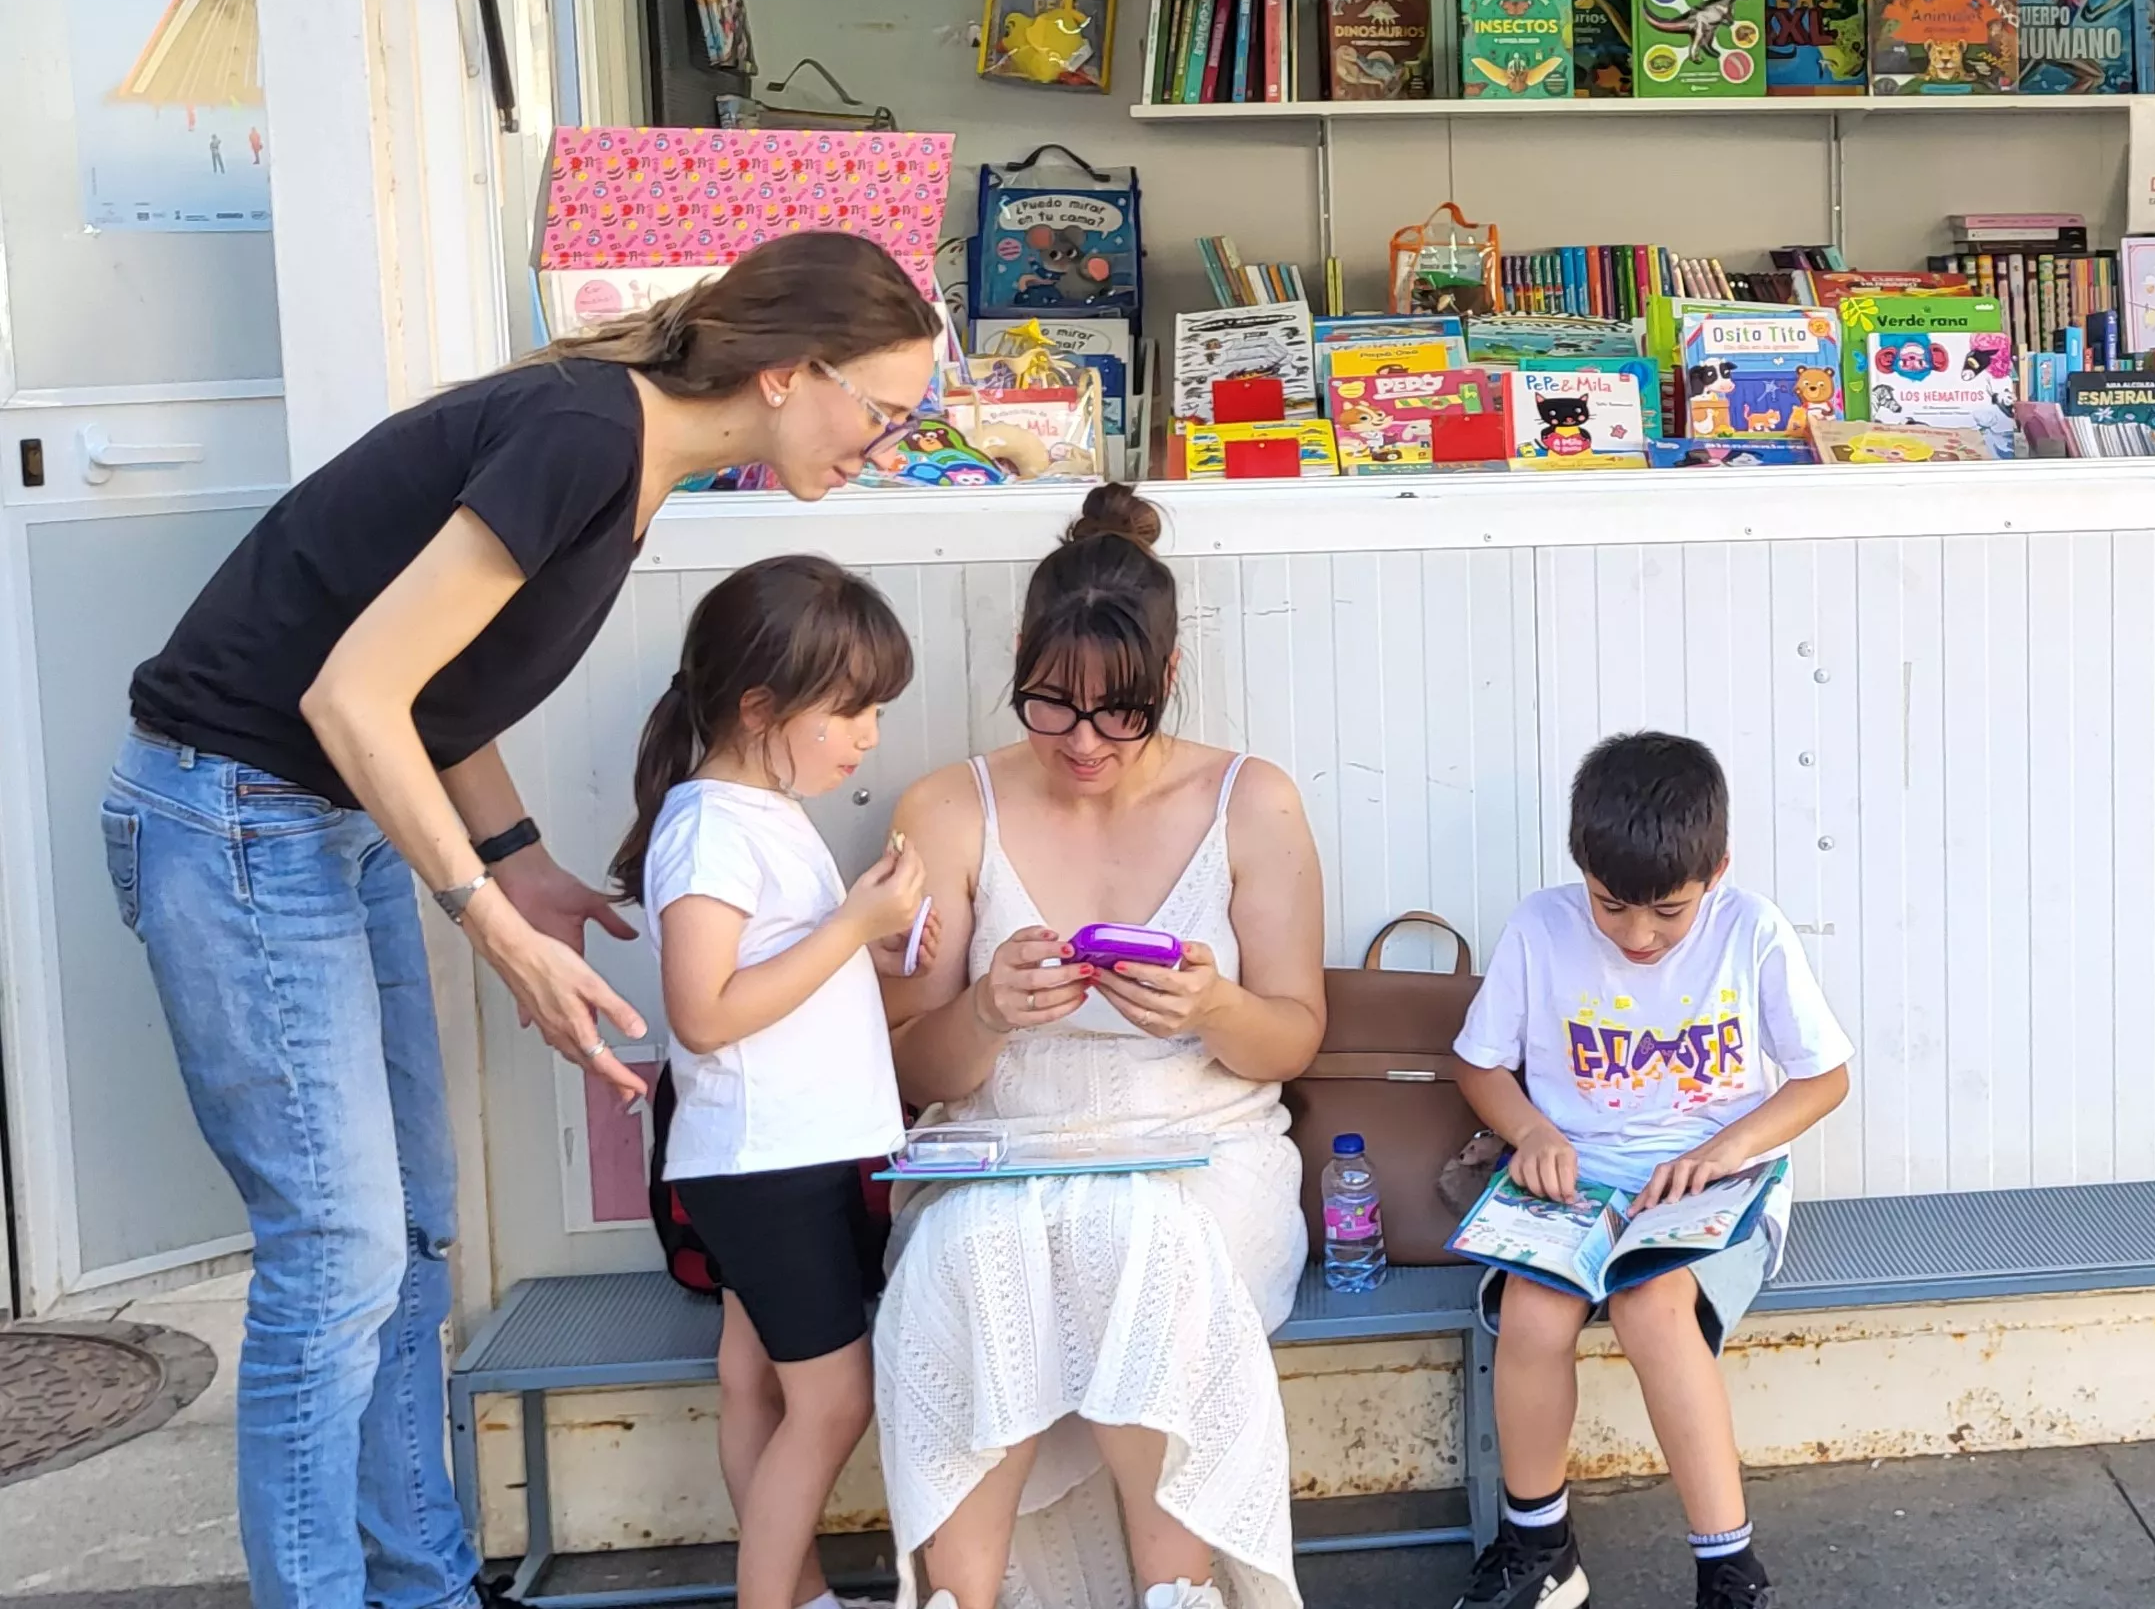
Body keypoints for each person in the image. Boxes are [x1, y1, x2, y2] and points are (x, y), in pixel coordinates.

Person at [100, 230, 943, 1609]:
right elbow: (352, 697)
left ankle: (423, 1583)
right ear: (790, 373)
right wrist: (495, 921)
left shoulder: (632, 463)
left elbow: (433, 696)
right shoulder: (580, 436)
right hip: (235, 811)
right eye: (883, 410)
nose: (888, 442)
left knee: (414, 1233)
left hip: (330, 817)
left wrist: (522, 854)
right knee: (340, 1257)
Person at [873, 483, 1328, 1609]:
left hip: (1200, 1152)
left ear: (1167, 681)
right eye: (1052, 708)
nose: (1083, 743)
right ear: (1020, 659)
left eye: (1119, 713)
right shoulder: (948, 806)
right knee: (956, 1261)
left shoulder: (1249, 801)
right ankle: (956, 1599)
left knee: (1145, 1247)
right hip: (999, 1149)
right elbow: (902, 1069)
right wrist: (983, 1013)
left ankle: (1174, 1594)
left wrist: (1212, 1009)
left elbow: (1295, 1037)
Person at [1449, 732, 1855, 1609]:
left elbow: (1826, 1077)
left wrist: (1726, 1148)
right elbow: (1477, 1064)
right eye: (1610, 906)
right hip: (1576, 1181)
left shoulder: (1751, 930)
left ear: (1716, 870)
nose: (1638, 935)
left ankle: (1728, 1567)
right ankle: (1538, 1546)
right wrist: (1528, 1131)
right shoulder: (1539, 927)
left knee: (1650, 1305)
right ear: (1580, 869)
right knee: (1532, 1312)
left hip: (1715, 1184)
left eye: (1667, 912)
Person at [611, 555, 926, 1609]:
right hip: (767, 1158)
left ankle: (801, 1594)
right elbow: (702, 1013)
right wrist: (853, 927)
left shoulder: (759, 810)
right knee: (834, 1401)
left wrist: (866, 949)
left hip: (783, 1151)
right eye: (851, 710)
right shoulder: (711, 826)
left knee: (756, 1381)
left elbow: (770, 973)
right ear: (761, 705)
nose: (870, 733)